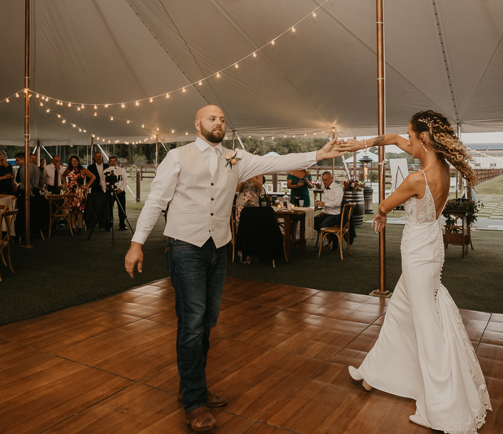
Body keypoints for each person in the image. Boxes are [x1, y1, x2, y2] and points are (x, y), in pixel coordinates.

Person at [124, 104, 343, 432]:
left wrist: (318, 154)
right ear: (197, 124)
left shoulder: (235, 158)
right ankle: (194, 401)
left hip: (219, 247)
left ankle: (192, 386)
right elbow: (156, 200)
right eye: (212, 118)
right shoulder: (178, 156)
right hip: (185, 246)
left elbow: (275, 161)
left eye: (223, 119)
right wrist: (137, 243)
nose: (219, 123)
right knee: (192, 322)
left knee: (207, 321)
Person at [340, 111, 491, 433]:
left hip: (418, 255)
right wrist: (362, 143)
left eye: (411, 136)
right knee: (399, 313)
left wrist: (380, 214)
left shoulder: (416, 179)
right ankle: (375, 373)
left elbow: (383, 204)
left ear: (423, 138)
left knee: (425, 325)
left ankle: (442, 408)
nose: (406, 141)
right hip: (430, 248)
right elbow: (392, 139)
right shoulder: (442, 169)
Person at [313, 171, 344, 250]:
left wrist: (324, 204)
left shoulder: (338, 189)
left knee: (324, 225)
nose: (324, 182)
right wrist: (323, 211)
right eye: (323, 180)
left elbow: (338, 203)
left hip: (335, 215)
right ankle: (329, 237)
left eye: (325, 180)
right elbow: (326, 202)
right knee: (312, 221)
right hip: (326, 213)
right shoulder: (326, 189)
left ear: (331, 178)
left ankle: (334, 239)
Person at [64, 155, 94, 234]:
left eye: (76, 161)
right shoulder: (68, 170)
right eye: (73, 161)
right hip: (71, 192)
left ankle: (80, 227)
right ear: (70, 162)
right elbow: (63, 176)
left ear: (78, 161)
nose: (75, 162)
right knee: (72, 211)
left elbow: (93, 177)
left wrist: (87, 186)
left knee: (80, 210)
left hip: (80, 192)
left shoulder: (82, 170)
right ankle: (73, 227)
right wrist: (65, 184)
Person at [87, 151, 110, 231]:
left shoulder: (107, 166)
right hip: (95, 189)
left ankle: (104, 222)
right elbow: (88, 179)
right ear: (94, 158)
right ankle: (95, 222)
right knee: (95, 206)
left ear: (102, 157)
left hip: (105, 189)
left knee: (105, 206)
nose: (98, 157)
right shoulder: (90, 167)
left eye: (100, 156)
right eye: (97, 156)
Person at [104, 156, 128, 230]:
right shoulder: (105, 171)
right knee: (109, 208)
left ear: (116, 162)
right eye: (111, 161)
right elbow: (102, 181)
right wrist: (106, 190)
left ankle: (122, 224)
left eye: (114, 161)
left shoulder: (122, 170)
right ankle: (108, 224)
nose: (113, 162)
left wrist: (121, 189)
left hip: (119, 191)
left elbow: (125, 181)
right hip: (109, 191)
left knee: (121, 208)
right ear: (109, 162)